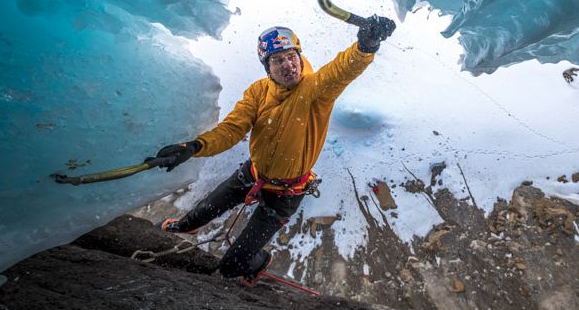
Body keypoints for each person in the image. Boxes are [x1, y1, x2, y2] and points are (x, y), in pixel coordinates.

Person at [148, 16, 396, 285]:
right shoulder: (258, 92)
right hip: (252, 173)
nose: (288, 65)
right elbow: (232, 129)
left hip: (286, 194)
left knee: (232, 267)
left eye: (292, 57)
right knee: (202, 212)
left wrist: (366, 45)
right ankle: (186, 226)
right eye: (278, 60)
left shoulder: (315, 90)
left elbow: (341, 70)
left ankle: (258, 261)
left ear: (300, 57)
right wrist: (195, 147)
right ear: (267, 67)